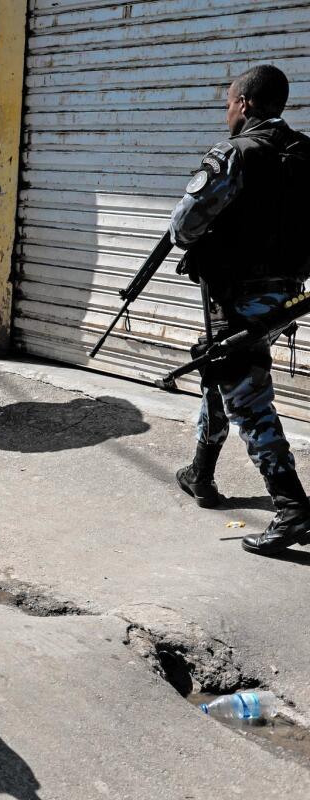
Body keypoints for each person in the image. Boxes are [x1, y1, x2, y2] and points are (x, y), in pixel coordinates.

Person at [168, 64, 310, 556]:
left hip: (240, 296)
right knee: (220, 367)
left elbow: (184, 224)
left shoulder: (237, 153)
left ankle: (292, 509)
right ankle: (201, 473)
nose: (227, 110)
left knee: (248, 399)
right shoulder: (306, 152)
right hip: (287, 297)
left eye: (229, 101)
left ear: (245, 104)